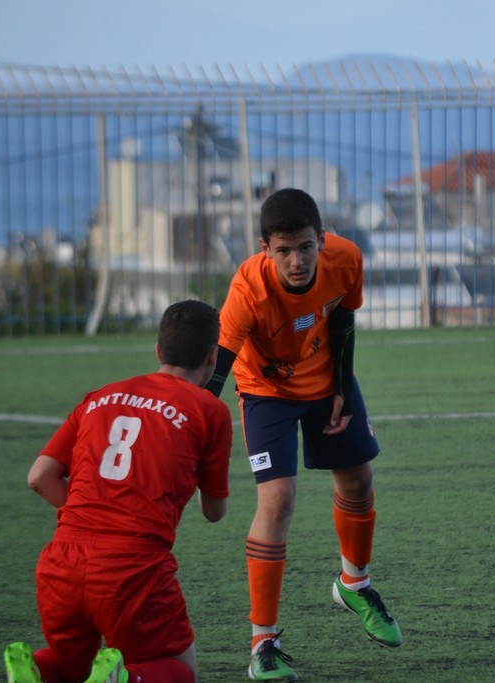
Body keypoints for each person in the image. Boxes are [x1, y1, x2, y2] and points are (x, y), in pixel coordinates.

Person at [205, 188, 401, 682]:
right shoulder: (247, 290)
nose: (297, 261)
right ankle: (262, 644)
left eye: (306, 247)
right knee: (278, 501)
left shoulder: (347, 258)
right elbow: (217, 371)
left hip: (326, 379)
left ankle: (354, 585)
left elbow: (344, 320)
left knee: (358, 478)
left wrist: (341, 389)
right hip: (265, 391)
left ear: (322, 239)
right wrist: (188, 432)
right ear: (264, 248)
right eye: (284, 250)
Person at [4, 300, 233, 683]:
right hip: (133, 566)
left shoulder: (100, 396)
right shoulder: (209, 409)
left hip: (62, 560)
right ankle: (125, 679)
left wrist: (95, 511)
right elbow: (214, 510)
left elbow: (40, 477)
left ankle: (37, 671)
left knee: (72, 669)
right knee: (179, 670)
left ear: (158, 351)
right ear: (212, 358)